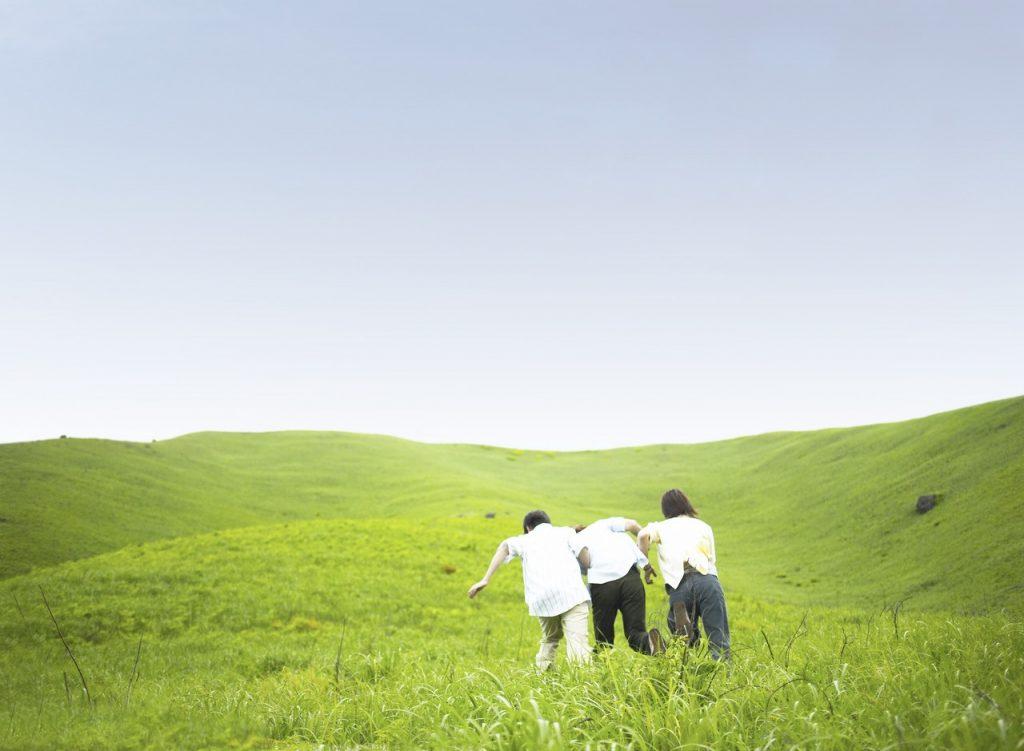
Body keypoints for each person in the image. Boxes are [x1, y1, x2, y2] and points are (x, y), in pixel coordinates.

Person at [468, 510, 593, 669]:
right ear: (548, 522)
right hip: (572, 594)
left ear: (528, 527)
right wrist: (589, 567)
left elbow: (505, 547)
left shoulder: (525, 540)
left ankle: (545, 676)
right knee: (578, 641)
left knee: (550, 638)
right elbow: (584, 553)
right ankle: (581, 681)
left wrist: (485, 579)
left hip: (544, 599)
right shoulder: (566, 532)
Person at [638, 488, 730, 661]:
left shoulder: (661, 527)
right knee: (719, 637)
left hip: (679, 585)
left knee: (682, 642)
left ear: (665, 510)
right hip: (707, 581)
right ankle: (723, 673)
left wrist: (646, 565)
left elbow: (642, 535)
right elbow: (712, 559)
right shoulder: (703, 526)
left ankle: (685, 662)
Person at [575, 517, 664, 655]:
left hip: (602, 584)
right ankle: (656, 645)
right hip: (631, 578)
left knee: (603, 641)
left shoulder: (575, 540)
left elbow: (586, 564)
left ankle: (599, 672)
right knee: (636, 634)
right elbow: (633, 525)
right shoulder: (604, 524)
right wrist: (646, 563)